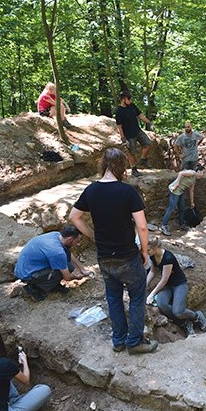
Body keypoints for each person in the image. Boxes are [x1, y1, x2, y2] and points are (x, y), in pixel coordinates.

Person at [69, 147, 158, 355]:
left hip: (104, 257)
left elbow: (74, 216)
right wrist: (144, 251)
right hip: (127, 255)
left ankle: (118, 340)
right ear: (122, 166)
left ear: (103, 165)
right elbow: (142, 226)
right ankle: (134, 342)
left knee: (114, 298)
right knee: (137, 297)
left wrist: (92, 235)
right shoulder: (128, 192)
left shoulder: (91, 190)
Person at [0, 328, 51, 411]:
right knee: (45, 389)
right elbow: (26, 381)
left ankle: (14, 401)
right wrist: (24, 361)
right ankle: (15, 404)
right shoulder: (4, 364)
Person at [145, 237, 206, 337]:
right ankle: (184, 323)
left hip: (179, 284)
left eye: (148, 250)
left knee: (178, 312)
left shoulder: (168, 258)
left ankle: (197, 316)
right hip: (168, 286)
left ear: (155, 248)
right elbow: (152, 272)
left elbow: (164, 280)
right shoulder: (153, 256)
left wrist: (152, 294)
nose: (146, 252)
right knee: (161, 304)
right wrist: (144, 284)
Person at [14, 226, 91, 302]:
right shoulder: (57, 252)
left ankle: (52, 285)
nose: (77, 244)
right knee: (67, 268)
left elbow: (68, 253)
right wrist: (77, 277)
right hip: (27, 274)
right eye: (77, 241)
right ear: (70, 239)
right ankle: (33, 288)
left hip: (27, 267)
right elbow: (67, 277)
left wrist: (82, 269)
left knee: (66, 264)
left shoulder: (57, 235)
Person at [115, 90, 154, 177]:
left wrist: (149, 122)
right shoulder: (119, 112)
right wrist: (123, 138)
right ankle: (134, 169)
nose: (131, 101)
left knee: (148, 144)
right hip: (129, 135)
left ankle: (143, 159)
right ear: (123, 99)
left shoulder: (132, 106)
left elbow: (140, 115)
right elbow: (119, 126)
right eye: (129, 99)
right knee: (131, 152)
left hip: (137, 131)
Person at [160, 165, 205, 236]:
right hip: (175, 190)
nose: (203, 175)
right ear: (198, 171)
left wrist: (192, 202)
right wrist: (177, 182)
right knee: (171, 208)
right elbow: (180, 173)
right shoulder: (192, 173)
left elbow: (191, 191)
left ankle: (181, 224)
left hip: (180, 192)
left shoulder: (194, 179)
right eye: (203, 172)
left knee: (182, 208)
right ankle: (163, 226)